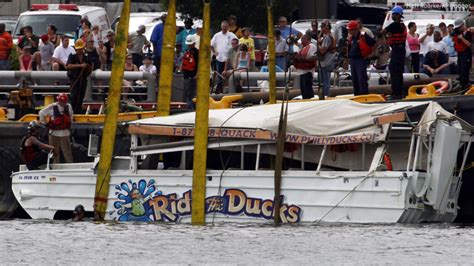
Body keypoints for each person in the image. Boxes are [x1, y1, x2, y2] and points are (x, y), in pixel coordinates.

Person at [38, 93, 74, 164]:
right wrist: (44, 123)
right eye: (61, 101)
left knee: (68, 153)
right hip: (54, 133)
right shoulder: (52, 106)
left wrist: (69, 124)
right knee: (54, 152)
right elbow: (41, 112)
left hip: (65, 133)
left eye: (64, 102)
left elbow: (71, 116)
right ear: (58, 100)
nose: (63, 103)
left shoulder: (69, 106)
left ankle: (70, 165)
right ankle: (55, 166)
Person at [383, 6, 407, 99]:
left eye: (394, 14)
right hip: (401, 50)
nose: (392, 16)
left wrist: (384, 34)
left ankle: (395, 93)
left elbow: (382, 32)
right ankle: (399, 92)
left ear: (398, 15)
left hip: (397, 51)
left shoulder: (395, 25)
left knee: (394, 71)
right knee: (399, 72)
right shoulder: (402, 25)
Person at [347, 20, 376, 96]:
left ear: (354, 29)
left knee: (361, 78)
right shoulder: (351, 38)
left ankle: (364, 94)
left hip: (360, 60)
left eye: (350, 30)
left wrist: (371, 54)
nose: (349, 31)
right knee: (355, 79)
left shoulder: (363, 35)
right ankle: (356, 94)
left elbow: (374, 43)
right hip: (353, 60)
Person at [211, 21, 237, 93]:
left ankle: (229, 89)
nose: (224, 28)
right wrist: (214, 52)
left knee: (229, 74)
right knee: (219, 74)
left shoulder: (232, 35)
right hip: (219, 58)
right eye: (223, 27)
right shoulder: (217, 35)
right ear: (221, 27)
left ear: (228, 27)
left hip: (229, 58)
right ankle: (219, 90)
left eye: (225, 27)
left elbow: (237, 44)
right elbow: (211, 45)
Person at [66, 39, 92, 114]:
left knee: (81, 95)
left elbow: (90, 66)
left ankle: (79, 111)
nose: (79, 51)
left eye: (80, 49)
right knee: (73, 95)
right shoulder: (72, 56)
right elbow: (68, 66)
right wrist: (80, 65)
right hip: (74, 78)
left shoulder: (86, 57)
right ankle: (71, 111)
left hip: (83, 79)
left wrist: (87, 68)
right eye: (78, 49)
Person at [293, 34, 317, 99]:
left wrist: (302, 59)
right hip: (302, 72)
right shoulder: (303, 47)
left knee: (307, 91)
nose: (301, 41)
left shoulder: (311, 46)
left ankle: (309, 102)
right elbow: (296, 43)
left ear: (307, 39)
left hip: (307, 72)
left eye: (303, 39)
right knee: (303, 91)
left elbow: (313, 57)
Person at [317, 20, 336, 97]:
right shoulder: (328, 36)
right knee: (325, 80)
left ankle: (325, 95)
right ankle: (325, 95)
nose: (321, 28)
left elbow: (323, 50)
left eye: (322, 27)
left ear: (326, 27)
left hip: (326, 62)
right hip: (327, 61)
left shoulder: (328, 37)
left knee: (325, 81)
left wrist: (317, 44)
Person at [452, 19, 472, 89]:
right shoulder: (457, 33)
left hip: (466, 53)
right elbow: (454, 40)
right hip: (459, 53)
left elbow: (469, 44)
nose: (458, 29)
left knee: (465, 69)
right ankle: (461, 84)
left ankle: (465, 85)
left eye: (460, 27)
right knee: (460, 69)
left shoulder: (468, 33)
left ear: (463, 25)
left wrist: (462, 38)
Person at [181, 35, 199, 109]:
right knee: (186, 93)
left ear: (194, 43)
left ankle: (191, 108)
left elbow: (199, 64)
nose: (189, 45)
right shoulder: (187, 52)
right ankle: (187, 107)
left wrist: (197, 74)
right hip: (186, 76)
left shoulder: (197, 53)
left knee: (191, 94)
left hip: (192, 76)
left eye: (190, 43)